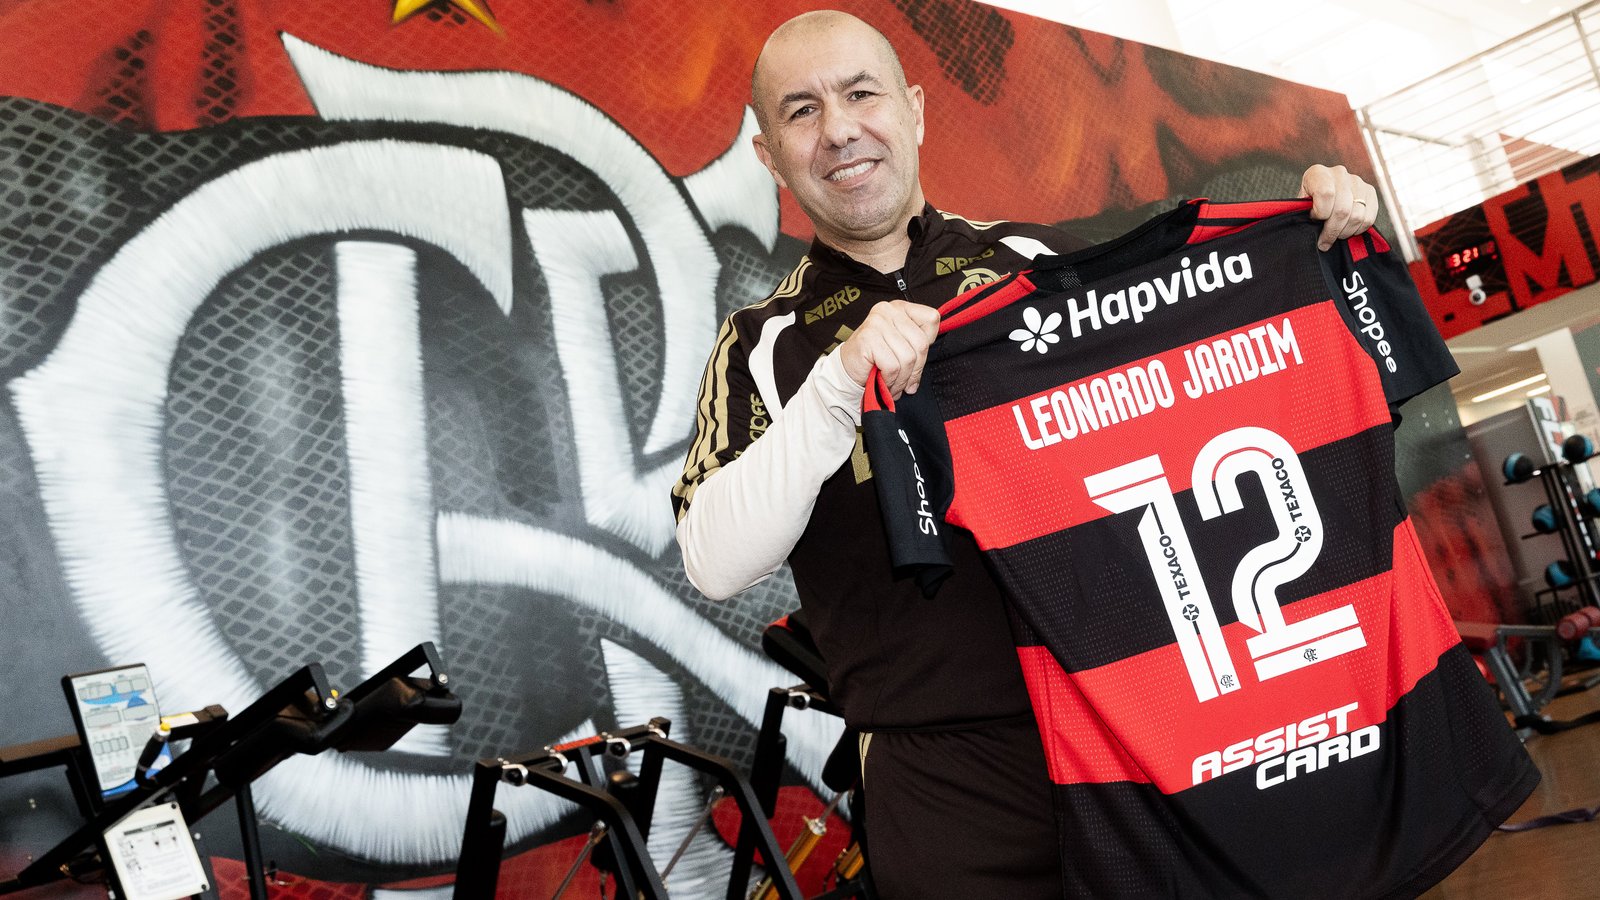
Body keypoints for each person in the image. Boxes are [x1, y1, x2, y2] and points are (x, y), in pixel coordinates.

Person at [671, 10, 1381, 897]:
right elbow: (712, 561)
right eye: (801, 111)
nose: (841, 127)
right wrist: (838, 384)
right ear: (769, 154)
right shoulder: (760, 345)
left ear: (916, 110)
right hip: (944, 784)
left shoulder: (1041, 264)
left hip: (1131, 724)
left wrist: (1307, 239)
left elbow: (1208, 381)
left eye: (862, 94)